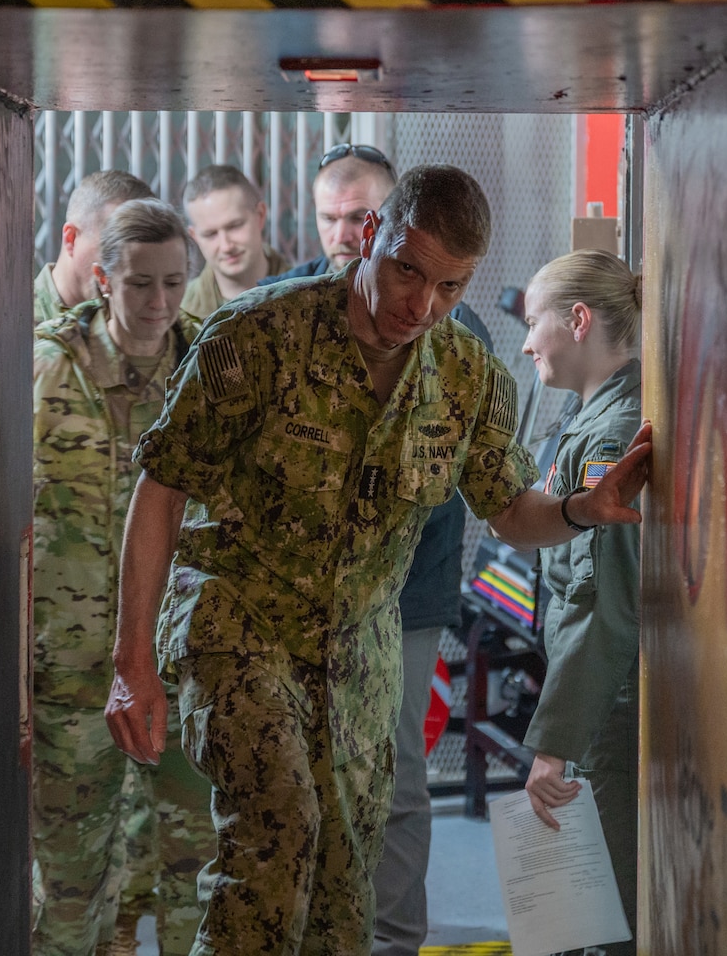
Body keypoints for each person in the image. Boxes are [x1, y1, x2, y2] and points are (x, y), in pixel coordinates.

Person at [105, 165, 654, 956]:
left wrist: (578, 511)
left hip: (359, 656)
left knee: (342, 891)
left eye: (449, 287)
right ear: (369, 237)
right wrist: (132, 659)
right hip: (240, 624)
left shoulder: (466, 378)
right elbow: (161, 488)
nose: (420, 305)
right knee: (278, 829)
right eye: (406, 269)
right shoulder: (258, 335)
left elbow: (506, 510)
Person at [264, 142, 495, 956]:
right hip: (286, 607)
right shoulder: (274, 317)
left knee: (392, 778)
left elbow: (496, 490)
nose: (343, 231)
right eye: (331, 216)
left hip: (404, 599)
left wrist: (578, 508)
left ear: (391, 218)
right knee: (285, 783)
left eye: (359, 215)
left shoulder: (457, 343)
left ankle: (390, 945)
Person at [31, 199, 216, 956]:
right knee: (70, 875)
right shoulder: (48, 367)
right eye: (141, 284)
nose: (161, 304)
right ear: (102, 279)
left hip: (180, 662)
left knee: (196, 867)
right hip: (70, 665)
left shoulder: (210, 367)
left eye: (175, 283)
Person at [518, 250, 646, 956]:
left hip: (603, 709)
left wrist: (555, 744)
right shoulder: (591, 418)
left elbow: (603, 606)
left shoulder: (606, 437)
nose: (528, 341)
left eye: (534, 321)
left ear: (577, 319)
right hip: (597, 702)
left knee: (603, 922)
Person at [264, 143, 396, 283]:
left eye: (359, 218)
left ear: (394, 215)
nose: (341, 237)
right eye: (329, 219)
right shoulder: (277, 295)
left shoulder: (419, 293)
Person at [34, 169, 153, 324]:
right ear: (71, 239)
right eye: (115, 248)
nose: (130, 265)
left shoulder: (150, 321)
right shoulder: (13, 321)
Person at [179, 165, 291, 320]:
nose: (226, 246)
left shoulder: (310, 294)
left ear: (260, 215)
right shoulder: (179, 312)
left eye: (234, 226)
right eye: (210, 234)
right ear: (194, 236)